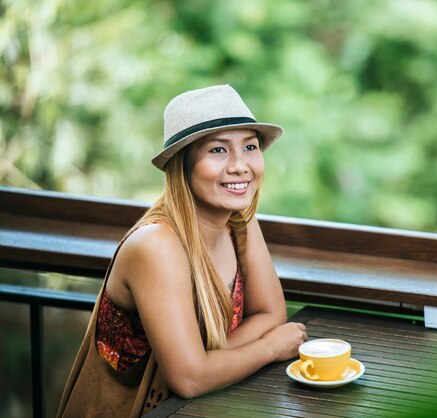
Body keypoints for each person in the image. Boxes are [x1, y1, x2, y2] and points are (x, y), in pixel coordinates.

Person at [57, 85, 308, 417]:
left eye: (250, 146)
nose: (239, 165)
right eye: (218, 150)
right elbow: (189, 379)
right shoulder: (156, 245)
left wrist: (209, 363)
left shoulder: (239, 223)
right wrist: (268, 348)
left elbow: (271, 314)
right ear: (183, 164)